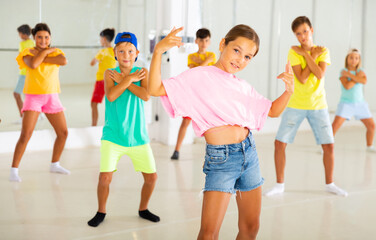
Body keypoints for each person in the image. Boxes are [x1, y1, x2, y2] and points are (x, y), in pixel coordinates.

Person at [149, 25, 294, 240]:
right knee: (209, 233)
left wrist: (289, 91)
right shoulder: (198, 76)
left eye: (247, 57)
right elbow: (154, 89)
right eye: (236, 50)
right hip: (222, 159)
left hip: (249, 154)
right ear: (222, 44)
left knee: (251, 227)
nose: (240, 60)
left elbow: (272, 110)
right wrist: (159, 52)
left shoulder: (243, 86)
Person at [264, 16, 348, 197]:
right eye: (298, 34)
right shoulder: (293, 52)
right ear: (295, 36)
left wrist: (310, 55)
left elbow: (319, 74)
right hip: (295, 104)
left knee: (329, 146)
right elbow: (301, 78)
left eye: (305, 31)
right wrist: (311, 56)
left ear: (311, 30)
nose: (302, 36)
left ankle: (330, 184)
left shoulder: (323, 51)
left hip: (319, 105)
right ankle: (279, 185)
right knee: (279, 143)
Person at [88, 32, 159, 227]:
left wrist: (125, 81)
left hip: (138, 137)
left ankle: (143, 209)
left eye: (130, 51)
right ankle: (101, 211)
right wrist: (128, 80)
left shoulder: (142, 72)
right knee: (104, 178)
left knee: (152, 178)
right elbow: (111, 96)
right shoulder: (109, 73)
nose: (126, 55)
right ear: (115, 53)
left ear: (136, 53)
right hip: (113, 136)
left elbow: (145, 95)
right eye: (121, 51)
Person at [9, 23, 69, 182]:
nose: (43, 40)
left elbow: (63, 61)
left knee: (63, 133)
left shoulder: (57, 51)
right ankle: (14, 170)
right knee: (26, 134)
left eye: (47, 37)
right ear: (34, 38)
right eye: (40, 37)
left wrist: (44, 54)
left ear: (50, 38)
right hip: (33, 97)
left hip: (52, 97)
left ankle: (55, 164)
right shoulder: (27, 52)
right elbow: (33, 64)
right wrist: (48, 53)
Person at [170, 28, 216, 160]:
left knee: (211, 124)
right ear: (196, 41)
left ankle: (213, 152)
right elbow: (195, 71)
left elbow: (212, 73)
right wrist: (205, 62)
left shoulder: (212, 55)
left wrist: (205, 63)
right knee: (185, 122)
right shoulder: (192, 56)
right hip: (193, 94)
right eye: (201, 40)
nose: (204, 43)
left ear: (209, 41)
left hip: (208, 95)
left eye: (206, 40)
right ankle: (177, 150)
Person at [332, 48, 376, 152]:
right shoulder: (343, 71)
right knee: (335, 126)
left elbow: (364, 81)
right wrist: (356, 78)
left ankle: (369, 146)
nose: (354, 60)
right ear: (347, 58)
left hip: (360, 104)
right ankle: (326, 147)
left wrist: (350, 76)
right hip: (346, 104)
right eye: (351, 57)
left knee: (372, 126)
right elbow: (347, 86)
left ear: (359, 59)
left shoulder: (361, 71)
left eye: (356, 58)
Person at [90, 28, 117, 126]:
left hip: (102, 81)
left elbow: (92, 63)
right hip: (113, 80)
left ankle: (94, 125)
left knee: (93, 103)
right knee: (111, 104)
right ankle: (113, 124)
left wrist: (97, 59)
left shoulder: (102, 52)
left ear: (104, 39)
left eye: (100, 38)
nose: (100, 40)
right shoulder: (115, 51)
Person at [14, 24, 35, 119]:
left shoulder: (24, 44)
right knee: (27, 96)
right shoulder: (32, 43)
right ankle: (27, 116)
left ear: (24, 34)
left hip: (26, 74)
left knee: (17, 94)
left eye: (19, 33)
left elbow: (21, 58)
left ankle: (23, 116)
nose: (19, 35)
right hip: (26, 73)